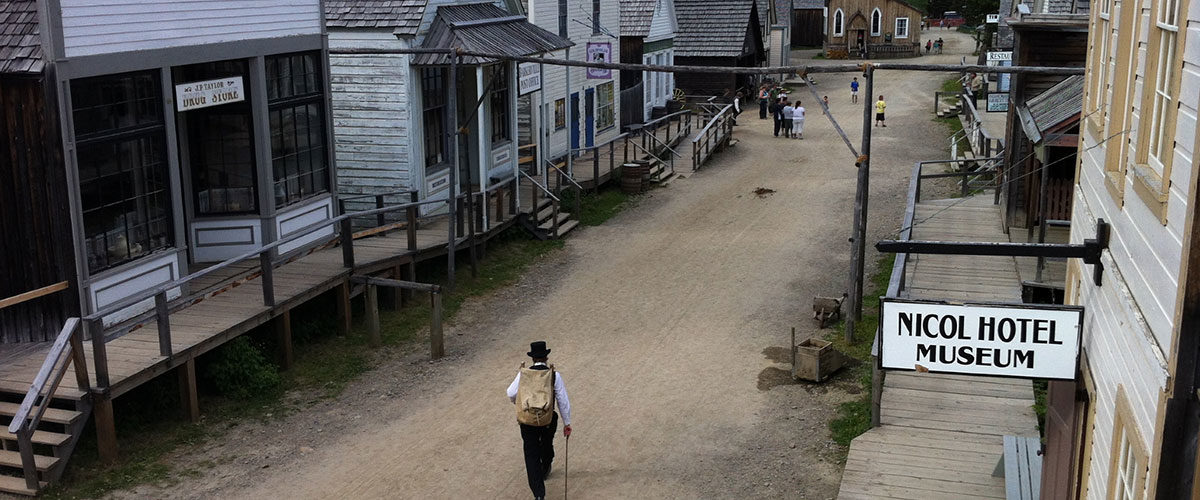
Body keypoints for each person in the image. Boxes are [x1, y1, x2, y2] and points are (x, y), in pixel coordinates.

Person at [507, 341, 572, 500]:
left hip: (527, 421)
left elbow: (511, 392)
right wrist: (567, 423)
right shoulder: (554, 375)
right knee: (547, 443)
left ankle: (538, 494)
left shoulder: (524, 373)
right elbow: (562, 401)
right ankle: (546, 465)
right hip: (546, 420)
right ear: (546, 357)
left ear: (532, 358)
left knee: (531, 455)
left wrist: (519, 402)